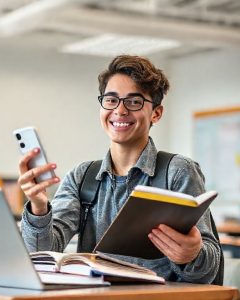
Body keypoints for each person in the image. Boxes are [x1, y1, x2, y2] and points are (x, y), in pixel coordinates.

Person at [18, 55, 222, 284]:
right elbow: (40, 254)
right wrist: (38, 206)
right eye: (111, 100)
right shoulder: (82, 177)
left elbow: (207, 271)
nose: (120, 110)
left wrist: (192, 255)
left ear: (156, 113)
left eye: (134, 102)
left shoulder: (177, 171)